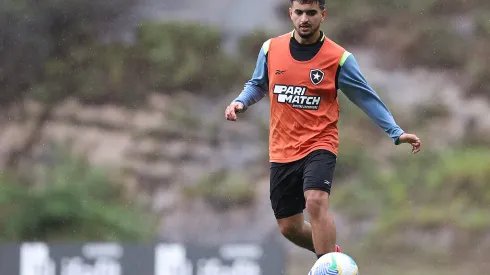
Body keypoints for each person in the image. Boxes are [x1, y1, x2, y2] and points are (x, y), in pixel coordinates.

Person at [224, 0, 421, 259]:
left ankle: (328, 267)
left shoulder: (338, 58)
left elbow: (365, 97)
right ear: (290, 14)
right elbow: (258, 84)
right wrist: (240, 101)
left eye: (311, 13)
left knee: (316, 200)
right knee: (289, 227)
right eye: (299, 13)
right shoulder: (271, 49)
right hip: (282, 149)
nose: (304, 19)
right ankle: (332, 256)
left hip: (320, 143)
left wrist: (396, 132)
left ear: (323, 15)